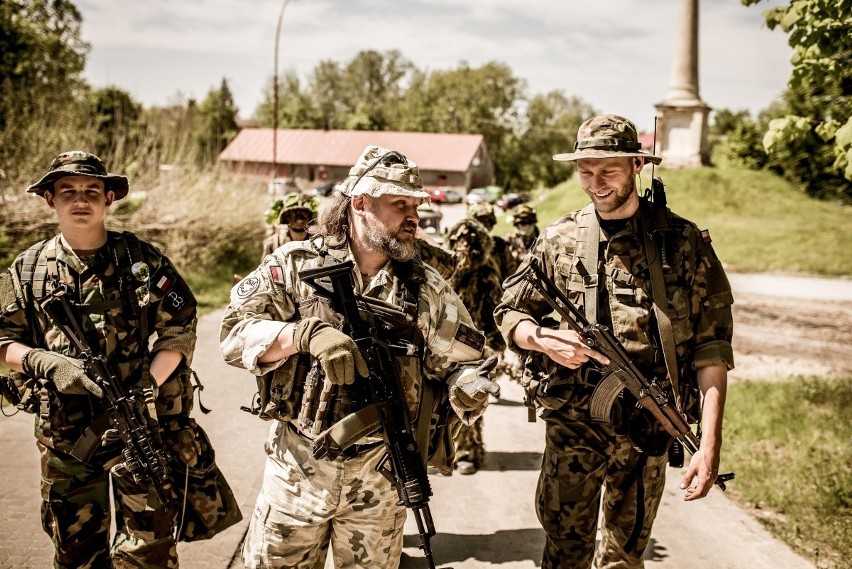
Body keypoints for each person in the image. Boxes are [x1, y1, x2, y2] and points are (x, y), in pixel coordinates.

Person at [221, 145, 500, 568]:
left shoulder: (423, 286)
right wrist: (301, 334)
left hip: (381, 480)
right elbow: (234, 333)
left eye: (415, 205)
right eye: (399, 204)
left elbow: (465, 358)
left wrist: (468, 384)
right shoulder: (295, 265)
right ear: (360, 203)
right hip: (297, 472)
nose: (413, 216)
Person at [495, 114, 735, 569]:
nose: (595, 182)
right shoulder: (559, 240)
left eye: (609, 170)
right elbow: (508, 311)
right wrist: (543, 339)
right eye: (585, 170)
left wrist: (709, 444)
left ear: (637, 165)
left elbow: (713, 349)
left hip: (649, 426)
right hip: (572, 424)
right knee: (566, 551)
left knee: (625, 556)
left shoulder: (683, 243)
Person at [0, 151, 239, 568]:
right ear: (49, 200)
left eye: (91, 190)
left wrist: (148, 383)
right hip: (65, 438)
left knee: (148, 554)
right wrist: (47, 364)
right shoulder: (28, 270)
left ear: (109, 197)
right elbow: (4, 340)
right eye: (67, 191)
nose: (80, 200)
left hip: (139, 428)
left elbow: (180, 326)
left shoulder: (142, 262)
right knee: (76, 554)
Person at [444, 218, 506, 475]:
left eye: (468, 241)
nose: (463, 244)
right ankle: (445, 450)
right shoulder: (446, 269)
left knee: (468, 399)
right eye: (459, 240)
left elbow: (497, 313)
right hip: (444, 345)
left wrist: (492, 349)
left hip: (475, 348)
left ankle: (468, 452)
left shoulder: (485, 274)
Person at [467, 201, 518, 280]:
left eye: (488, 221)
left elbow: (511, 269)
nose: (485, 225)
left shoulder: (499, 244)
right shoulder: (465, 245)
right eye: (481, 221)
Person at [261, 191, 319, 258]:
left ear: (309, 217)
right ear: (286, 218)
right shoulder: (273, 244)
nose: (299, 219)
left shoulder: (318, 242)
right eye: (294, 214)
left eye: (303, 213)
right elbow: (265, 266)